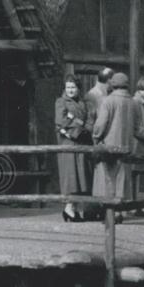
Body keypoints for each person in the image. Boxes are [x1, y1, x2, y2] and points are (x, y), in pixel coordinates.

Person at [92, 73, 144, 207]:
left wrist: (96, 137)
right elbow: (137, 128)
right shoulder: (133, 103)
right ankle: (119, 210)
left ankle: (110, 214)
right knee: (122, 180)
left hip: (108, 147)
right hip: (126, 147)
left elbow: (100, 125)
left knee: (108, 179)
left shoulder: (107, 101)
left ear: (113, 84)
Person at [54, 75, 92, 222]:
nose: (70, 90)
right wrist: (77, 124)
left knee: (80, 177)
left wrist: (75, 121)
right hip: (68, 142)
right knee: (69, 176)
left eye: (73, 87)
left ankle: (74, 209)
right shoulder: (61, 102)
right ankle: (68, 208)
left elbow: (88, 121)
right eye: (68, 87)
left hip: (82, 142)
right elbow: (61, 121)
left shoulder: (83, 103)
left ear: (78, 88)